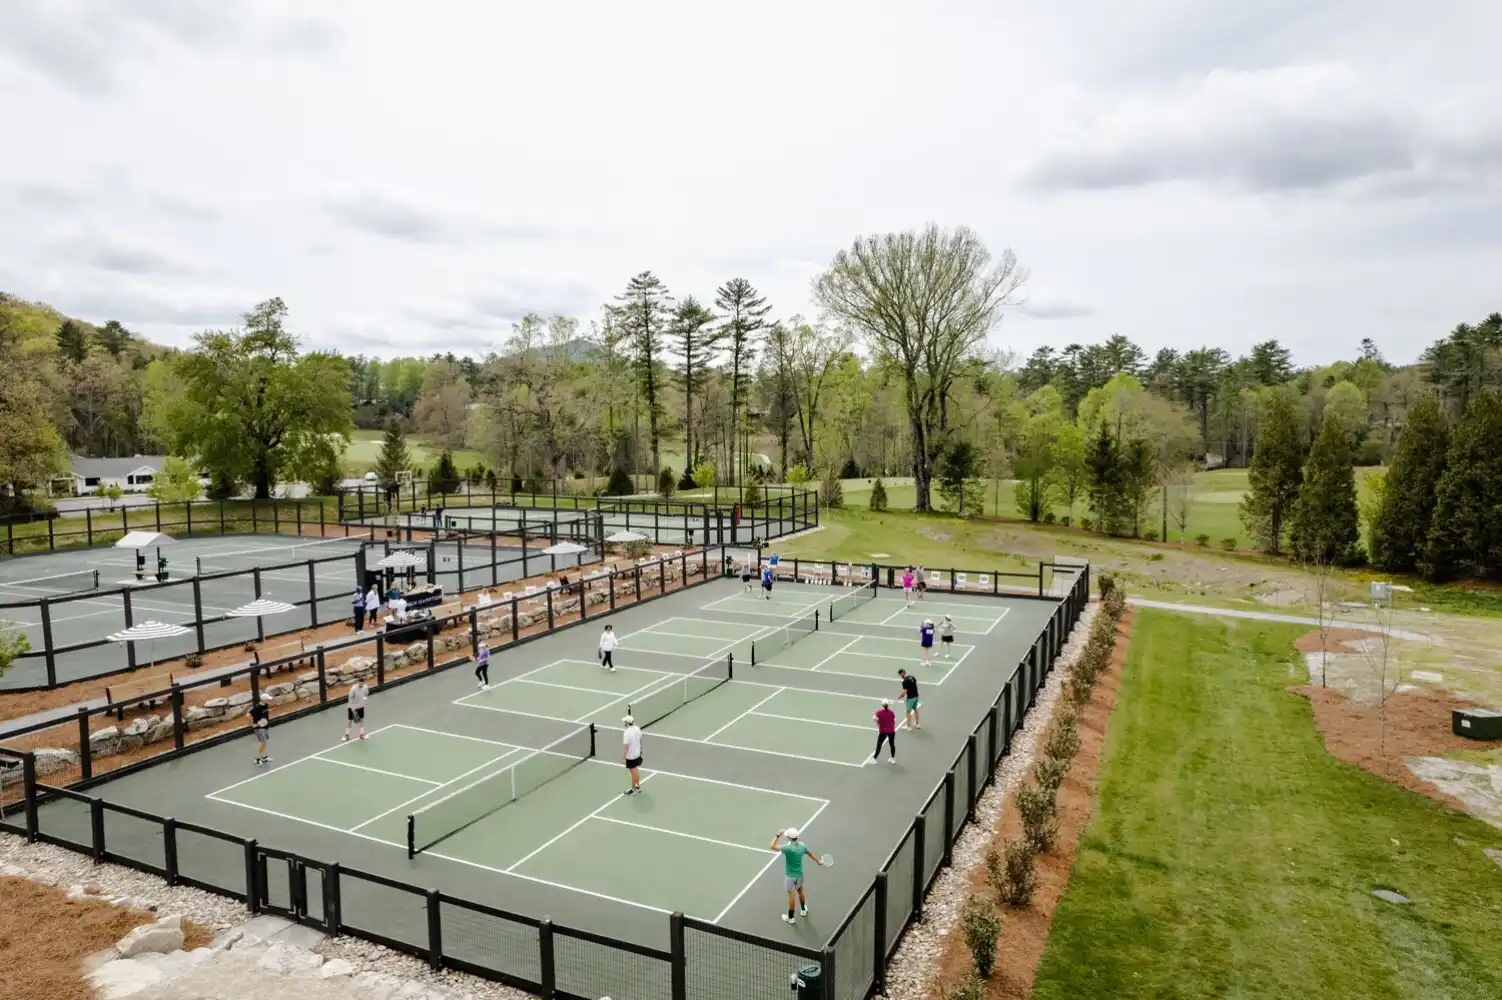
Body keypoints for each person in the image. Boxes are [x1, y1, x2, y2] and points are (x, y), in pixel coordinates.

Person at [769, 828, 824, 924]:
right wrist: (818, 861)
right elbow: (810, 854)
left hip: (790, 876)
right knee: (801, 892)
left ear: (789, 838)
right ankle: (803, 910)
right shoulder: (802, 846)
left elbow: (772, 846)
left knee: (791, 897)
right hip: (799, 875)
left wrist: (778, 835)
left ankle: (791, 918)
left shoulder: (787, 848)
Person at [621, 713, 644, 794]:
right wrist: (640, 750)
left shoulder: (626, 733)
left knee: (633, 771)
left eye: (625, 722)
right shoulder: (638, 729)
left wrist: (623, 757)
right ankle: (637, 786)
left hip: (631, 756)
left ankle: (633, 788)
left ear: (627, 723)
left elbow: (626, 747)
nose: (624, 723)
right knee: (635, 770)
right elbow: (640, 740)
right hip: (637, 753)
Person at [873, 699, 897, 764]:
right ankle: (893, 758)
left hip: (883, 731)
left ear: (882, 705)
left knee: (879, 744)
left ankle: (874, 758)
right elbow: (894, 719)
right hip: (891, 731)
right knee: (892, 744)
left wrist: (878, 721)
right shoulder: (891, 712)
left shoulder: (879, 712)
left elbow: (874, 718)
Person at [250, 695, 271, 767]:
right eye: (267, 699)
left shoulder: (266, 705)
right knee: (262, 743)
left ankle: (263, 757)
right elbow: (249, 715)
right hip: (259, 728)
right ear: (263, 700)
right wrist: (252, 724)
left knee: (264, 743)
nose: (269, 700)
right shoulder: (257, 708)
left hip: (265, 727)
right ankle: (257, 759)